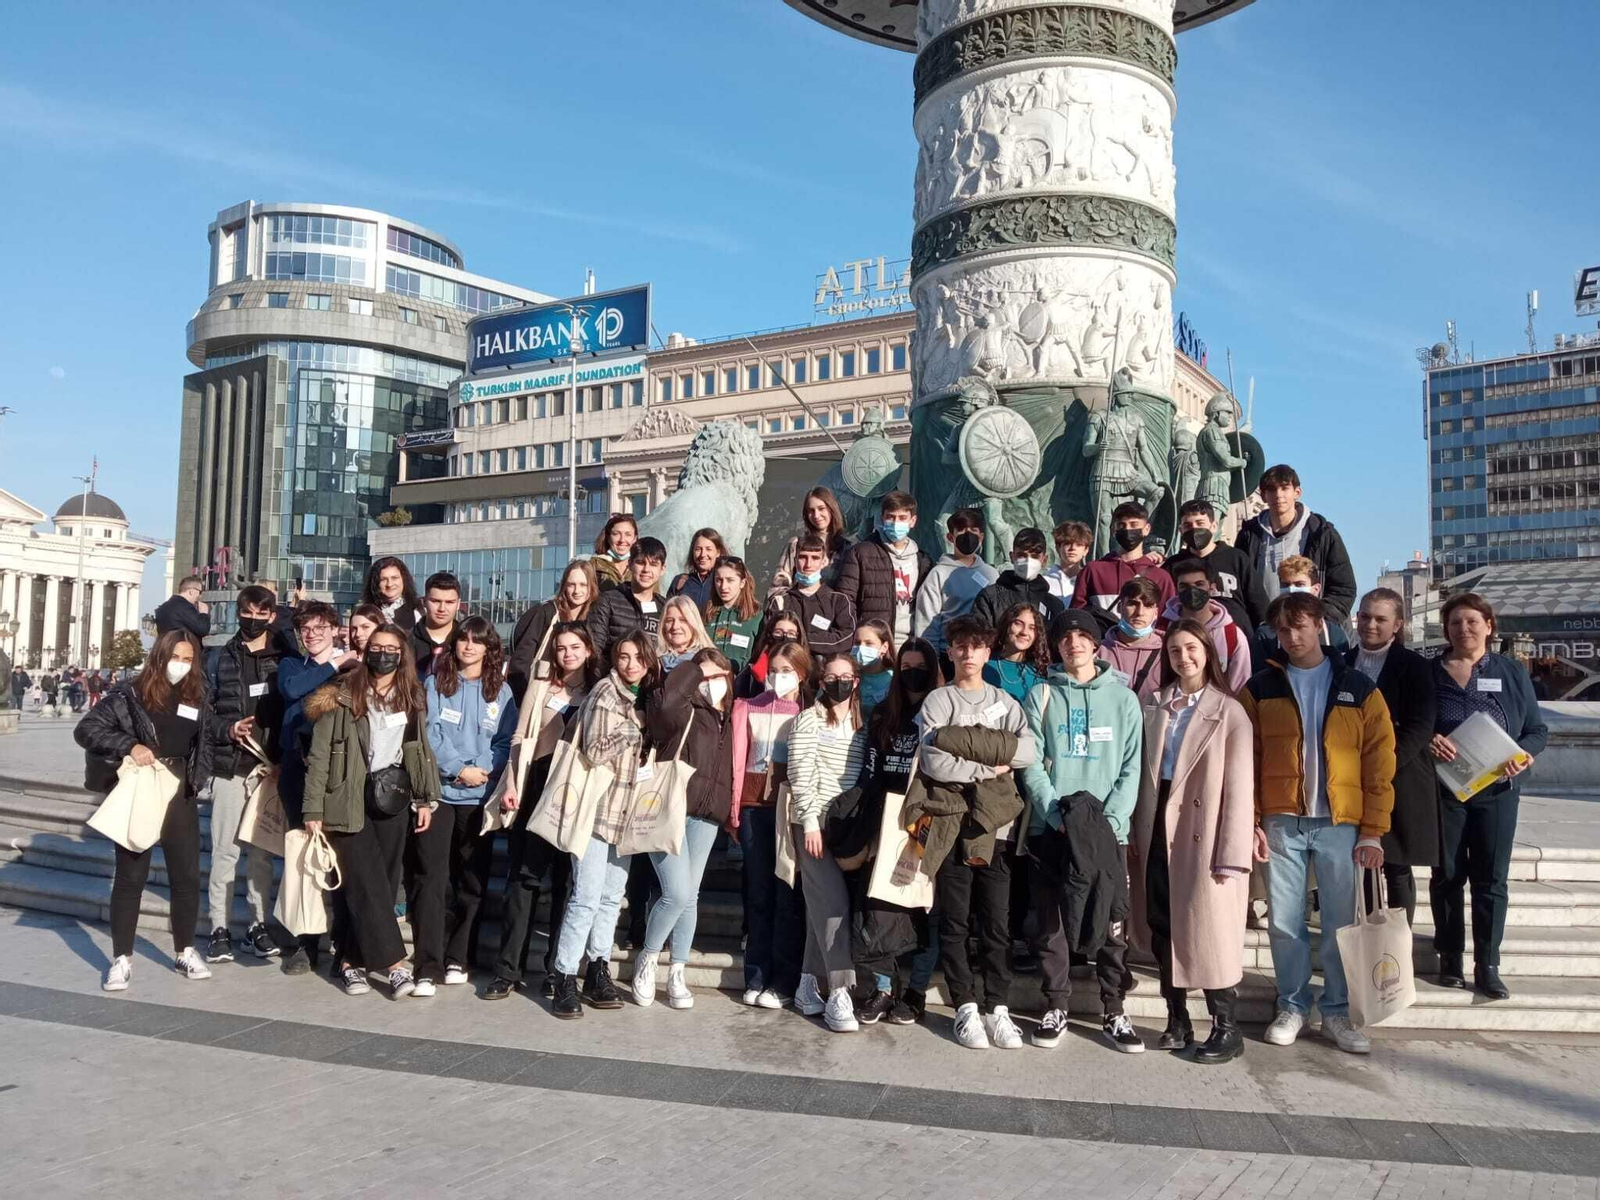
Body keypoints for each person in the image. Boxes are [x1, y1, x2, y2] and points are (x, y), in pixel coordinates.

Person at [1239, 590, 1395, 1055]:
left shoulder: (1356, 686)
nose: (1290, 636)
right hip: (1282, 818)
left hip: (1339, 822)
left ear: (1319, 626)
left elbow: (1379, 762)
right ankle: (1292, 1004)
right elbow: (1246, 759)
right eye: (1282, 629)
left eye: (1299, 625)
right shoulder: (1260, 688)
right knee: (1285, 921)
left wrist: (1373, 829)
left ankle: (1337, 1011)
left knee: (1339, 924)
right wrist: (1251, 819)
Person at [1131, 618, 1258, 1065]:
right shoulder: (1154, 705)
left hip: (1203, 829)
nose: (1183, 658)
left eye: (1191, 649)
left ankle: (1227, 1027)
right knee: (1163, 924)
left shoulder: (1230, 711)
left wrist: (1232, 852)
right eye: (1174, 651)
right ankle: (1176, 1017)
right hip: (1156, 820)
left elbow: (1241, 790)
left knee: (1208, 931)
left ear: (1207, 652)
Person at [1018, 608, 1144, 1053]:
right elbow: (1029, 761)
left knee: (1111, 923)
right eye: (1065, 637)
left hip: (1107, 833)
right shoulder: (1042, 695)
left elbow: (1132, 767)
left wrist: (1110, 823)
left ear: (1096, 644)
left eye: (1082, 636)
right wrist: (1055, 815)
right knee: (1050, 920)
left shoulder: (1124, 700)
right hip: (1052, 827)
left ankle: (1114, 1008)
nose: (1074, 643)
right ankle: (1056, 1004)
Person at [301, 623, 439, 1000]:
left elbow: (419, 749)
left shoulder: (411, 695)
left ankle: (350, 963)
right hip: (348, 796)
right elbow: (319, 757)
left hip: (393, 796)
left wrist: (425, 798)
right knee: (367, 883)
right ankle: (394, 966)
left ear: (402, 653)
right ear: (366, 651)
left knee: (380, 880)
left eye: (391, 648)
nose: (383, 654)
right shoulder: (343, 695)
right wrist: (313, 808)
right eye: (376, 647)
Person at [917, 616, 1034, 1051]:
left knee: (996, 923)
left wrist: (962, 746)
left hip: (995, 828)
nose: (968, 654)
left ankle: (997, 1007)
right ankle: (964, 1005)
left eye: (977, 646)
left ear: (989, 652)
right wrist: (990, 766)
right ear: (950, 651)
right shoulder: (937, 700)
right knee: (954, 920)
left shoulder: (1006, 702)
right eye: (960, 646)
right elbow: (933, 761)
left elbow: (1026, 751)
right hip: (950, 824)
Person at [76, 630, 214, 991]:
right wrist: (130, 744)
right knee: (130, 877)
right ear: (160, 656)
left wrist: (201, 775)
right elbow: (87, 728)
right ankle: (122, 958)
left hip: (180, 788)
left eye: (188, 659)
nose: (181, 665)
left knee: (185, 877)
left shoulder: (198, 693)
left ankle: (185, 950)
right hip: (142, 785)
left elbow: (206, 739)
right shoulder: (130, 693)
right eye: (176, 657)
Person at [1427, 592, 1549, 1000]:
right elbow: (1408, 723)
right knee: (1446, 875)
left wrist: (1523, 755)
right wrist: (1430, 740)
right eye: (1456, 623)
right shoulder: (1430, 672)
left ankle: (1487, 964)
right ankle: (1449, 958)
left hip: (1497, 790)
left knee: (1490, 880)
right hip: (1444, 790)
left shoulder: (1510, 671)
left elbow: (1536, 729)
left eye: (1472, 622)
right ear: (1446, 630)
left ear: (1489, 626)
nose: (1464, 629)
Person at [484, 622, 597, 1000]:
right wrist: (513, 783)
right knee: (524, 880)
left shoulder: (598, 692)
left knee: (566, 885)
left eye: (575, 647)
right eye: (562, 647)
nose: (568, 654)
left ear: (588, 650)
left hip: (574, 799)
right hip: (535, 790)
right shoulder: (541, 686)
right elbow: (519, 738)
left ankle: (556, 969)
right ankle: (507, 970)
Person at [548, 630, 657, 1018]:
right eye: (624, 657)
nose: (631, 664)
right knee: (586, 898)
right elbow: (593, 750)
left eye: (638, 658)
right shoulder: (606, 694)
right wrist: (633, 728)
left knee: (611, 898)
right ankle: (563, 975)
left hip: (622, 815)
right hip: (595, 812)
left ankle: (598, 968)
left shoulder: (635, 695)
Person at [415, 616, 517, 995]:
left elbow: (506, 741)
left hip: (479, 799)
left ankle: (459, 956)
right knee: (435, 878)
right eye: (463, 640)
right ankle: (428, 962)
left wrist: (483, 770)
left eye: (478, 642)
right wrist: (458, 769)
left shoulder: (501, 692)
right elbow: (431, 733)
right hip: (441, 794)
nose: (469, 647)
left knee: (472, 881)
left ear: (490, 649)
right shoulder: (436, 684)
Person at [633, 648, 736, 1009]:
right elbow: (663, 706)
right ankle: (647, 958)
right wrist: (694, 668)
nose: (712, 684)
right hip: (670, 808)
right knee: (675, 893)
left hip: (708, 816)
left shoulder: (730, 717)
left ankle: (677, 968)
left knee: (690, 896)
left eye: (718, 675)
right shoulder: (683, 710)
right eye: (706, 678)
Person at [854, 638, 942, 1023]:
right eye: (904, 666)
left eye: (919, 665)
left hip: (927, 820)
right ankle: (884, 988)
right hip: (887, 820)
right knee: (881, 908)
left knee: (924, 908)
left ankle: (917, 992)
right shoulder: (882, 715)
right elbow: (871, 772)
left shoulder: (940, 711)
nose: (912, 673)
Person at [274, 601, 360, 973]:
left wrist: (341, 665)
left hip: (337, 773)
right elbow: (293, 692)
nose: (312, 634)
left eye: (320, 627)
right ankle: (303, 943)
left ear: (335, 629)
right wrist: (332, 665)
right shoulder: (293, 665)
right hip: (296, 770)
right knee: (303, 858)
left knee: (338, 856)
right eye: (305, 629)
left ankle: (342, 943)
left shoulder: (353, 667)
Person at [202, 585, 285, 965]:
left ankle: (257, 924)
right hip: (229, 767)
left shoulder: (285, 656)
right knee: (224, 851)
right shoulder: (218, 657)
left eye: (261, 613)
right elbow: (205, 713)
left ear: (272, 615)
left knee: (261, 856)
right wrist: (228, 729)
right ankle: (218, 927)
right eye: (246, 613)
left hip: (267, 770)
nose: (253, 620)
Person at [787, 651, 869, 1033]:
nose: (839, 682)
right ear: (821, 683)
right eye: (831, 677)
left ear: (855, 680)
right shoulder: (808, 720)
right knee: (833, 905)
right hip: (814, 824)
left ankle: (806, 985)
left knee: (820, 909)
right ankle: (839, 992)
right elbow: (800, 774)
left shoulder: (862, 722)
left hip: (847, 824)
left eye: (846, 676)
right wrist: (809, 825)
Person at [1347, 588, 1437, 926]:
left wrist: (1382, 767)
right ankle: (1370, 940)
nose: (1370, 624)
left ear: (1397, 624)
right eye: (1365, 616)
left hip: (1398, 778)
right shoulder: (1341, 660)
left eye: (1380, 619)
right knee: (1363, 865)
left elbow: (1420, 725)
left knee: (1396, 866)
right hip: (1349, 778)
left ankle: (1399, 943)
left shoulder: (1414, 666)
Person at [729, 640, 811, 1007]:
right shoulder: (747, 706)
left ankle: (783, 980)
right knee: (758, 893)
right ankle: (756, 975)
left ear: (802, 674)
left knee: (786, 894)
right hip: (753, 806)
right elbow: (737, 759)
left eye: (787, 670)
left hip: (789, 808)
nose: (779, 677)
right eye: (774, 670)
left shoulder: (808, 712)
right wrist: (733, 810)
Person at [1234, 464, 1358, 627]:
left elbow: (1343, 588)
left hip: (1312, 632)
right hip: (1266, 631)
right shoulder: (1249, 535)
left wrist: (1320, 622)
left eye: (1285, 488)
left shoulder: (1321, 533)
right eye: (1272, 489)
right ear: (1263, 495)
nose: (1278, 495)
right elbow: (1239, 588)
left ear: (1297, 493)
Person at [836, 490, 932, 647]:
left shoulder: (923, 560)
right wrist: (858, 638)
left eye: (902, 518)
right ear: (882, 518)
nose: (896, 523)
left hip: (910, 645)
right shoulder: (861, 552)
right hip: (873, 644)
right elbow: (845, 600)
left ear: (913, 521)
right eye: (890, 517)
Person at [914, 507, 999, 665]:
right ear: (950, 537)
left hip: (983, 656)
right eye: (961, 530)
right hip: (948, 655)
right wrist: (932, 663)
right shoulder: (938, 574)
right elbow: (926, 623)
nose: (968, 535)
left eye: (973, 530)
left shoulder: (992, 574)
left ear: (981, 537)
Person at [507, 559, 599, 698]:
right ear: (564, 586)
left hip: (580, 692)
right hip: (543, 690)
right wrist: (520, 697)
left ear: (591, 586)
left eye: (583, 585)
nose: (577, 591)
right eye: (571, 585)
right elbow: (523, 657)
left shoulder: (596, 617)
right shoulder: (547, 612)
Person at [1159, 557, 1252, 692]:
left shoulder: (1231, 635)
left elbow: (1240, 686)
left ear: (1212, 588)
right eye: (1184, 586)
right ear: (1176, 590)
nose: (1192, 591)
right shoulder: (1161, 629)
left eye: (1199, 584)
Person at [1174, 499, 1267, 631]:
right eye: (1188, 525)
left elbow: (1257, 601)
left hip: (1237, 638)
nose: (1195, 529)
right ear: (1180, 530)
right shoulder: (1174, 564)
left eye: (1200, 523)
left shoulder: (1236, 557)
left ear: (1213, 526)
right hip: (1192, 640)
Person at [1070, 501, 1175, 616]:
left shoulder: (1160, 577)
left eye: (1134, 525)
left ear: (1146, 529)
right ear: (1114, 530)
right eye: (1121, 525)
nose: (1127, 530)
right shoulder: (1093, 571)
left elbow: (1165, 620)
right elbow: (1077, 615)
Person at [763, 534, 856, 659]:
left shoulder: (839, 601)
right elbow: (771, 638)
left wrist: (798, 637)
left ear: (824, 562)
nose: (808, 564)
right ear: (795, 560)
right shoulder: (780, 602)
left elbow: (846, 637)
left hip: (824, 672)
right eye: (803, 557)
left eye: (815, 558)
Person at [1251, 555, 1350, 668]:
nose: (1291, 589)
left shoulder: (1334, 634)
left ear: (1316, 589)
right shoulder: (1266, 633)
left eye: (1299, 584)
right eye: (1285, 585)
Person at [969, 526, 1066, 634]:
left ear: (1044, 560)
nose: (1028, 561)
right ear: (1011, 556)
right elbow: (979, 639)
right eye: (1021, 555)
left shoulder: (1054, 605)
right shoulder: (990, 597)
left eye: (1034, 556)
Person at [588, 537, 666, 659]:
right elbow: (595, 650)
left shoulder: (665, 607)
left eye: (653, 564)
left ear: (662, 569)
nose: (646, 569)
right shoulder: (608, 601)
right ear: (630, 564)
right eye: (640, 562)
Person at [772, 487, 852, 593]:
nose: (816, 515)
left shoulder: (847, 548)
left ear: (831, 509)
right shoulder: (796, 544)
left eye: (821, 508)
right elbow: (779, 583)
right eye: (811, 510)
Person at [1098, 578, 1166, 702]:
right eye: (1133, 603)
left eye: (1148, 605)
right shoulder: (1098, 652)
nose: (1140, 612)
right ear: (1120, 607)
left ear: (1156, 612)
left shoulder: (1168, 652)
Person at [705, 555, 763, 673]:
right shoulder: (705, 614)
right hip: (710, 680)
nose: (723, 586)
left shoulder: (756, 616)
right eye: (719, 580)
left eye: (730, 580)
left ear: (742, 583)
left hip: (742, 684)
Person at [983, 603, 1049, 705]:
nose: (1024, 632)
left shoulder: (1039, 675)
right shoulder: (982, 664)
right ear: (1007, 625)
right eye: (1018, 623)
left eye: (1031, 628)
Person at [735, 611, 808, 700]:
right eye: (778, 632)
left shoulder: (807, 671)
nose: (785, 637)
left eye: (791, 633)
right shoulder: (750, 672)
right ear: (769, 634)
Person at [410, 571, 462, 680]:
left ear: (458, 604)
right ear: (424, 602)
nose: (442, 609)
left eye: (449, 602)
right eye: (435, 601)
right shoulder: (406, 640)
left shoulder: (467, 642)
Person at [667, 528, 726, 612]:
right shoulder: (680, 582)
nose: (703, 554)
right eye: (698, 549)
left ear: (718, 552)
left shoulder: (724, 583)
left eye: (708, 549)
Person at [656, 595, 715, 672]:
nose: (675, 626)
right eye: (670, 620)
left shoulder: (709, 661)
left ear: (694, 623)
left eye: (683, 620)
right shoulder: (654, 662)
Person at [361, 556, 420, 631]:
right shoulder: (367, 612)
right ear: (375, 583)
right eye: (383, 579)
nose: (389, 584)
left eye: (394, 578)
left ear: (404, 579)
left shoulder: (418, 610)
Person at [852, 620, 895, 720]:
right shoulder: (846, 676)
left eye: (869, 643)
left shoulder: (894, 679)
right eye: (857, 643)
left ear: (884, 647)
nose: (861, 648)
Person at [1043, 521, 1093, 604]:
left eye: (1078, 544)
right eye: (1067, 543)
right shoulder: (1044, 581)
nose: (1072, 548)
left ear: (1086, 550)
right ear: (1058, 547)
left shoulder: (1090, 582)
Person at [590, 513, 638, 590]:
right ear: (608, 537)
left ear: (635, 538)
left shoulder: (643, 567)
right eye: (616, 534)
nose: (622, 540)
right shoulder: (593, 566)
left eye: (628, 534)